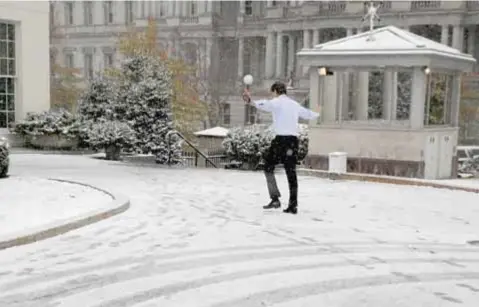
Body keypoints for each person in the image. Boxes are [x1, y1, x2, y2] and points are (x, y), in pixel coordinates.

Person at [242, 81, 320, 215]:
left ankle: (275, 198)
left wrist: (250, 101)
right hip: (293, 142)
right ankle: (293, 205)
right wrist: (318, 111)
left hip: (280, 141)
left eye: (272, 92)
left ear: (276, 91)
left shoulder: (276, 102)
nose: (272, 95)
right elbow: (308, 114)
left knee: (268, 166)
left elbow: (264, 104)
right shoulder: (294, 105)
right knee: (291, 174)